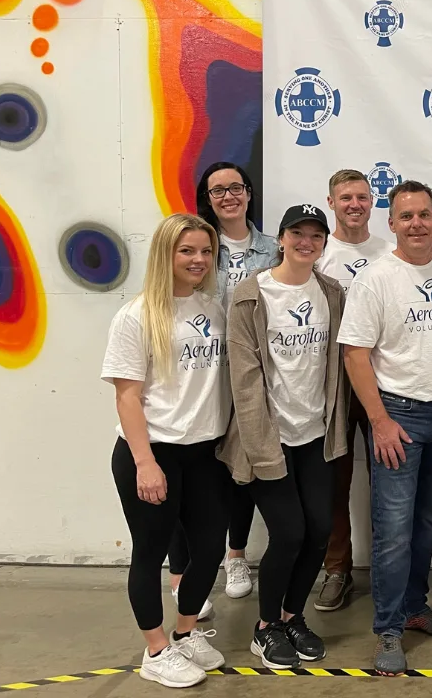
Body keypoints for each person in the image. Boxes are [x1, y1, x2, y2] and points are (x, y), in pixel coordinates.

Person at [337, 180, 432, 675]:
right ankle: (388, 629)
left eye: (424, 214)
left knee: (425, 523)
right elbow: (355, 354)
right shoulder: (376, 279)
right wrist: (380, 421)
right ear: (391, 223)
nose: (416, 223)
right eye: (406, 216)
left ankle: (415, 608)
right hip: (399, 415)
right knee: (392, 530)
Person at [102, 213, 230, 688]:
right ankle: (156, 649)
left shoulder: (212, 308)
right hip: (153, 451)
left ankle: (185, 631)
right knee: (150, 551)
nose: (198, 259)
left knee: (210, 548)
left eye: (205, 250)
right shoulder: (136, 315)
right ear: (165, 254)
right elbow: (126, 395)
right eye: (187, 251)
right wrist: (145, 463)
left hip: (204, 453)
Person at [218, 204, 347, 669]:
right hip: (267, 439)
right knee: (289, 532)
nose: (306, 242)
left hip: (315, 435)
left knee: (319, 531)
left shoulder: (332, 293)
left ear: (324, 243)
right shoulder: (250, 296)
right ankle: (265, 627)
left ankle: (293, 616)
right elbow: (246, 383)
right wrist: (262, 449)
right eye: (298, 233)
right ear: (281, 237)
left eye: (316, 235)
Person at [164, 161, 275, 609]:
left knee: (240, 468)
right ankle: (183, 570)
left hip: (250, 372)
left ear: (249, 193)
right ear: (205, 199)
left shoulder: (273, 248)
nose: (228, 196)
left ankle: (236, 554)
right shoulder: (197, 245)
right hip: (199, 368)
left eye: (236, 187)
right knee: (186, 469)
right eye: (217, 191)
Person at [314, 170, 394, 613]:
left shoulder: (388, 252)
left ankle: (388, 570)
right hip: (332, 384)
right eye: (346, 197)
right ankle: (337, 568)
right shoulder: (319, 253)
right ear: (331, 202)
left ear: (372, 202)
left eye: (362, 197)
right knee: (334, 481)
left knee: (388, 480)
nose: (355, 205)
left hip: (382, 381)